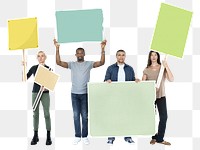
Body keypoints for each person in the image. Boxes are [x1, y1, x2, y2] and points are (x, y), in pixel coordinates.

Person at [54, 39, 107, 145]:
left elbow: (101, 62)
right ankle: (78, 136)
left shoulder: (89, 64)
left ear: (84, 54)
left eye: (81, 53)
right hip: (74, 94)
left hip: (85, 94)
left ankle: (85, 136)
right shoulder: (71, 64)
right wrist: (57, 49)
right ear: (75, 55)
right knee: (75, 115)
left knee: (85, 115)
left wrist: (102, 49)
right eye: (78, 53)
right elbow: (58, 62)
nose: (79, 54)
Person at [104, 49, 138, 145]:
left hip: (126, 97)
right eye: (119, 55)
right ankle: (111, 137)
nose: (121, 57)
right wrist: (107, 81)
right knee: (112, 116)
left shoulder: (130, 68)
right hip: (113, 96)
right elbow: (105, 80)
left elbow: (132, 81)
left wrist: (136, 80)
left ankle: (127, 136)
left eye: (123, 55)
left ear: (125, 56)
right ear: (116, 56)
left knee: (127, 116)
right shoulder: (110, 68)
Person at [142, 50, 174, 146]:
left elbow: (171, 79)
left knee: (164, 117)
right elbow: (143, 84)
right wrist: (151, 88)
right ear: (149, 57)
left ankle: (160, 138)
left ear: (158, 56)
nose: (153, 56)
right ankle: (153, 137)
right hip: (150, 96)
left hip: (161, 96)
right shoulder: (146, 69)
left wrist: (166, 66)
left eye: (155, 55)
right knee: (151, 118)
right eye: (151, 55)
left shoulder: (162, 68)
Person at [26, 51, 52, 145]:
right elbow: (25, 78)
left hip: (45, 93)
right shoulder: (34, 68)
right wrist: (23, 66)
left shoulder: (49, 69)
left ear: (45, 57)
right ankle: (35, 135)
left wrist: (47, 86)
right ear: (37, 58)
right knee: (35, 114)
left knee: (47, 114)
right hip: (35, 93)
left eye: (42, 56)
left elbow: (51, 83)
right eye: (38, 56)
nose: (40, 58)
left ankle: (48, 136)